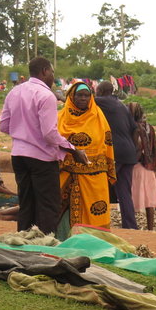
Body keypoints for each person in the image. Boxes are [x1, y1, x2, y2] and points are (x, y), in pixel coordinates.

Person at [0, 57, 87, 234]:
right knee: (47, 206)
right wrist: (73, 149)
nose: (53, 77)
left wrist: (23, 134)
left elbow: (4, 125)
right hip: (42, 159)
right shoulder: (46, 95)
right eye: (52, 72)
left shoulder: (14, 92)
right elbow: (49, 134)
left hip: (19, 156)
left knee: (26, 203)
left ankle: (24, 244)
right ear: (45, 71)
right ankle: (46, 247)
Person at [55, 82, 116, 239]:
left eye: (86, 95)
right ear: (71, 96)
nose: (83, 98)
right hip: (67, 175)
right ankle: (63, 242)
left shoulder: (98, 116)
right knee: (62, 212)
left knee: (94, 213)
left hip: (95, 178)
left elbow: (106, 144)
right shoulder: (61, 117)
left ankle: (94, 245)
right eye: (79, 95)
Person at [95, 80, 139, 229]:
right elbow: (135, 129)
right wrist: (133, 148)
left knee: (101, 186)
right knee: (124, 192)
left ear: (100, 92)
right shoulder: (122, 105)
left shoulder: (101, 101)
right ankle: (130, 226)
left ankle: (98, 221)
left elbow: (80, 100)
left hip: (115, 152)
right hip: (129, 153)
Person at [127, 103, 156, 231]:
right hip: (149, 166)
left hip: (137, 166)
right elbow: (154, 147)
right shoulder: (149, 127)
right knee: (149, 200)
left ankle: (132, 225)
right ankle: (150, 228)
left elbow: (136, 148)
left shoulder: (135, 128)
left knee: (134, 197)